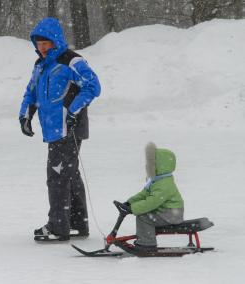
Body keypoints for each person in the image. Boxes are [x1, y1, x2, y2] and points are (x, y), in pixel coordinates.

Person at [19, 18, 101, 241]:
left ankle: (58, 227)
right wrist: (25, 114)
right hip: (53, 129)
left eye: (46, 43)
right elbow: (31, 91)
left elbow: (93, 86)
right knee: (68, 174)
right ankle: (76, 223)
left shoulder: (72, 61)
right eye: (39, 44)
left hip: (69, 128)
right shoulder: (41, 65)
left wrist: (73, 111)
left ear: (56, 41)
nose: (43, 48)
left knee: (57, 175)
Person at [114, 142, 185, 251]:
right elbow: (144, 194)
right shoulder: (156, 180)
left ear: (160, 166)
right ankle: (145, 240)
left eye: (151, 164)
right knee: (144, 215)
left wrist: (134, 208)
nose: (147, 166)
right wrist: (129, 202)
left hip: (171, 214)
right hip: (165, 212)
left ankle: (147, 244)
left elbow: (152, 202)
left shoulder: (164, 184)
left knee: (144, 217)